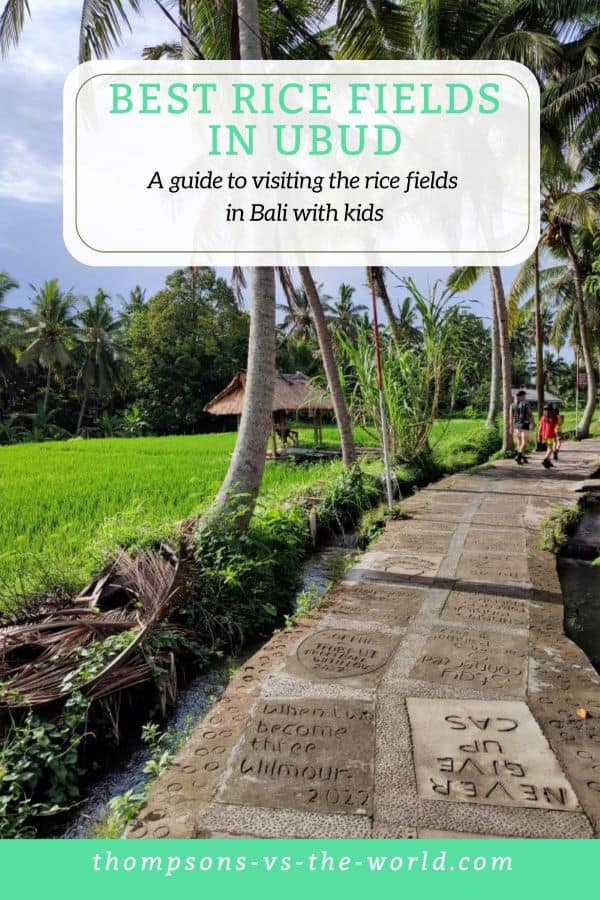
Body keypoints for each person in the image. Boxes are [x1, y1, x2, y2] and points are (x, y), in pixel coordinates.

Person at [511, 389, 535, 464]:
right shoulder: (526, 404)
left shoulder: (512, 405)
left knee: (519, 443)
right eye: (524, 396)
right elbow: (530, 414)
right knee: (524, 443)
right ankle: (518, 456)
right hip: (524, 425)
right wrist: (533, 423)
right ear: (520, 396)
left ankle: (523, 457)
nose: (525, 397)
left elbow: (511, 418)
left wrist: (511, 427)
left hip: (516, 426)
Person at [537, 404, 558, 469]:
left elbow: (540, 427)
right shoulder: (553, 418)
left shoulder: (543, 417)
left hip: (544, 435)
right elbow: (555, 426)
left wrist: (539, 435)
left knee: (548, 448)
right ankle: (545, 459)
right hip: (550, 435)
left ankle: (548, 462)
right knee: (550, 449)